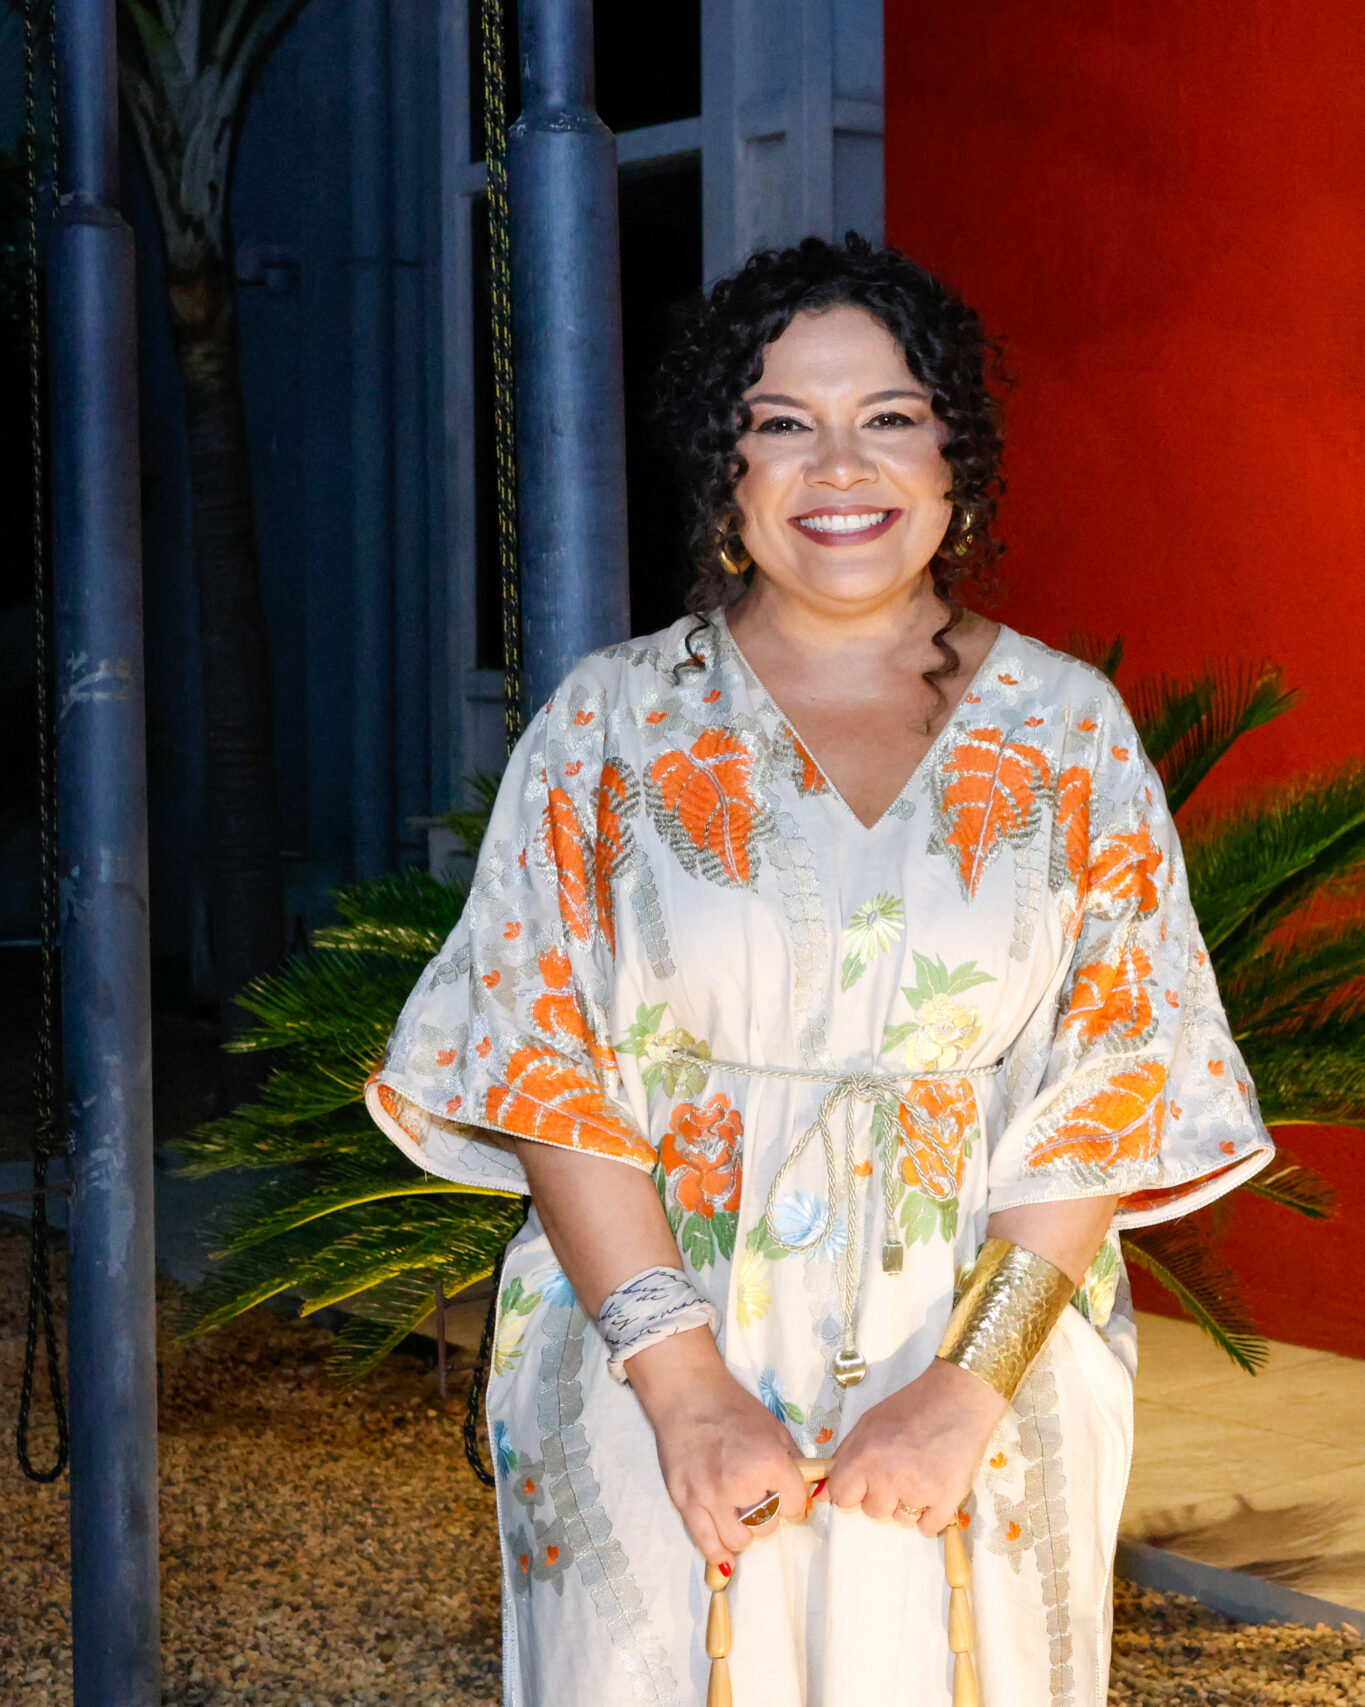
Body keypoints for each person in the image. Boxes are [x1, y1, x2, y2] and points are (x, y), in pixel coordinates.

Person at [367, 234, 1271, 1707]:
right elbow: (539, 1064)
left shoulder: (1068, 732)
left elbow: (1120, 1075)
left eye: (890, 416)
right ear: (724, 474)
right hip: (648, 1359)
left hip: (977, 1376)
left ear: (955, 459)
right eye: (782, 422)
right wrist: (684, 1393)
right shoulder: (607, 729)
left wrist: (967, 1387)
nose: (839, 465)